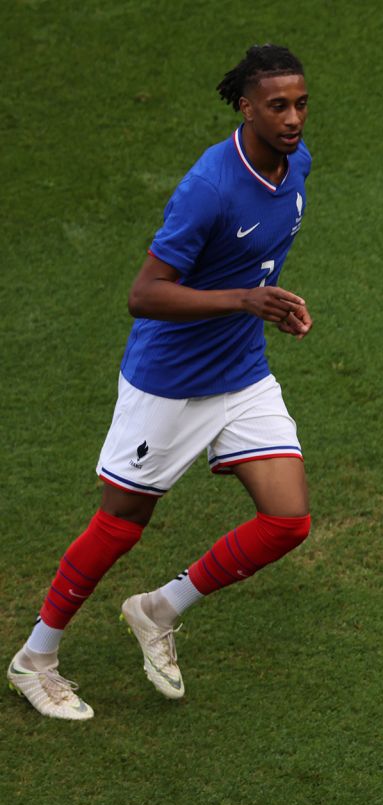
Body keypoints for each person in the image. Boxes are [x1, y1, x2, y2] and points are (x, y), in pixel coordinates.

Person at [7, 44, 315, 721]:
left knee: (288, 518)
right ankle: (35, 658)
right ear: (246, 106)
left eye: (300, 103)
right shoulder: (209, 185)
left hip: (240, 371)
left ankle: (158, 608)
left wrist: (274, 303)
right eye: (278, 106)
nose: (293, 118)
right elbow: (144, 294)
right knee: (122, 521)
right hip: (170, 383)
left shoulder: (297, 168)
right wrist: (242, 300)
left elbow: (254, 263)